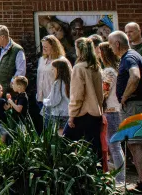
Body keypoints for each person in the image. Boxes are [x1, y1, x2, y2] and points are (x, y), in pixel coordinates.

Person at [110, 30, 142, 195]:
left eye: (111, 44)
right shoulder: (132, 55)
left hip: (134, 105)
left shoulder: (129, 57)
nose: (111, 49)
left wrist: (124, 97)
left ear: (117, 44)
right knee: (135, 144)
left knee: (136, 144)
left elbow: (135, 77)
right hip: (136, 104)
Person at [63, 37, 105, 167]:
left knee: (65, 144)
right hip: (95, 111)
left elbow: (77, 94)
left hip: (82, 112)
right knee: (93, 147)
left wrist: (72, 115)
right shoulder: (96, 67)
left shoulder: (79, 68)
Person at [98, 41, 125, 185]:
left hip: (111, 110)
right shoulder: (114, 69)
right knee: (113, 145)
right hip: (114, 110)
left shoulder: (108, 71)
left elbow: (105, 91)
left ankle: (120, 178)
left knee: (114, 145)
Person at [37, 34, 67, 118]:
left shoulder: (61, 60)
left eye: (46, 46)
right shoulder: (42, 60)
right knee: (46, 128)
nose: (43, 49)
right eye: (42, 46)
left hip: (55, 100)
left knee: (55, 128)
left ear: (54, 46)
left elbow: (67, 80)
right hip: (41, 99)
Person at [0, 25, 26, 90]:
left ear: (2, 37)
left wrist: (11, 84)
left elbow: (21, 71)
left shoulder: (17, 50)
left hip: (9, 92)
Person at [43, 59, 72, 132]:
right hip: (68, 113)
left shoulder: (57, 83)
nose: (52, 71)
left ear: (59, 70)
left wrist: (45, 101)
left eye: (53, 69)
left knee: (59, 138)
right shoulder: (69, 81)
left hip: (59, 114)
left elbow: (54, 101)